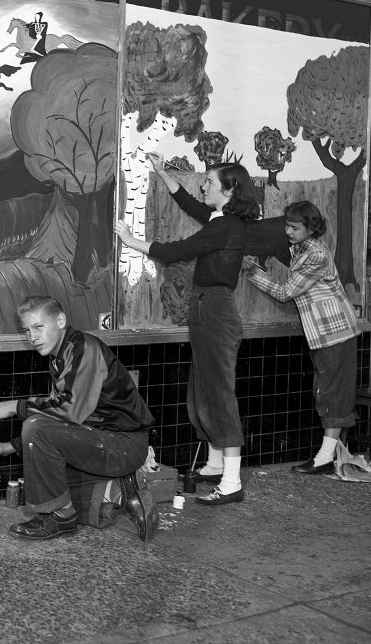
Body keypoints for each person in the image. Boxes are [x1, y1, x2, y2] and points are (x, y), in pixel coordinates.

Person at [115, 151, 262, 506]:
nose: (203, 184)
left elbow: (179, 250)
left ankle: (231, 481)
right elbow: (190, 204)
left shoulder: (225, 226)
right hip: (205, 308)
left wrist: (131, 240)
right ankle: (214, 464)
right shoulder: (220, 217)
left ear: (229, 192)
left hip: (216, 311)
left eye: (210, 182)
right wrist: (163, 172)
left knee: (219, 393)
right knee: (203, 389)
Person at [0, 296, 158, 542]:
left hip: (124, 444)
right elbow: (56, 421)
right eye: (27, 331)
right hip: (102, 443)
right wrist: (8, 448)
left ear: (60, 320)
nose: (32, 337)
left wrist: (15, 406)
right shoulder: (60, 355)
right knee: (45, 482)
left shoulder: (84, 348)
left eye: (39, 327)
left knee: (42, 460)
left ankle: (58, 516)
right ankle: (123, 491)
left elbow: (68, 411)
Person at [242, 200, 361, 475]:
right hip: (324, 333)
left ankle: (324, 457)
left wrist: (253, 273)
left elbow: (285, 292)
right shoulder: (302, 247)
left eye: (294, 227)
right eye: (287, 225)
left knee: (332, 394)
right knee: (327, 391)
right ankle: (329, 454)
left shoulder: (315, 255)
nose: (288, 231)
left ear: (311, 228)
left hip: (335, 332)